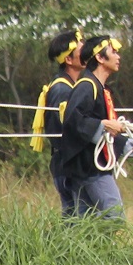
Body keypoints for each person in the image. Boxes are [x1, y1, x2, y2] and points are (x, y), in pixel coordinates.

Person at [56, 34, 133, 219]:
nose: (118, 57)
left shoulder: (99, 87)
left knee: (84, 224)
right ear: (99, 57)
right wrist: (103, 124)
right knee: (114, 217)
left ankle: (83, 248)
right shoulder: (86, 87)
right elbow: (73, 121)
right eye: (114, 52)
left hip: (86, 167)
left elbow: (103, 131)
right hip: (89, 169)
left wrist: (126, 144)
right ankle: (105, 248)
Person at [33, 27, 86, 217]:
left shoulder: (73, 86)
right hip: (68, 166)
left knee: (76, 220)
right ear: (69, 60)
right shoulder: (62, 90)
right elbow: (65, 133)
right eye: (82, 51)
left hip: (69, 164)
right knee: (77, 220)